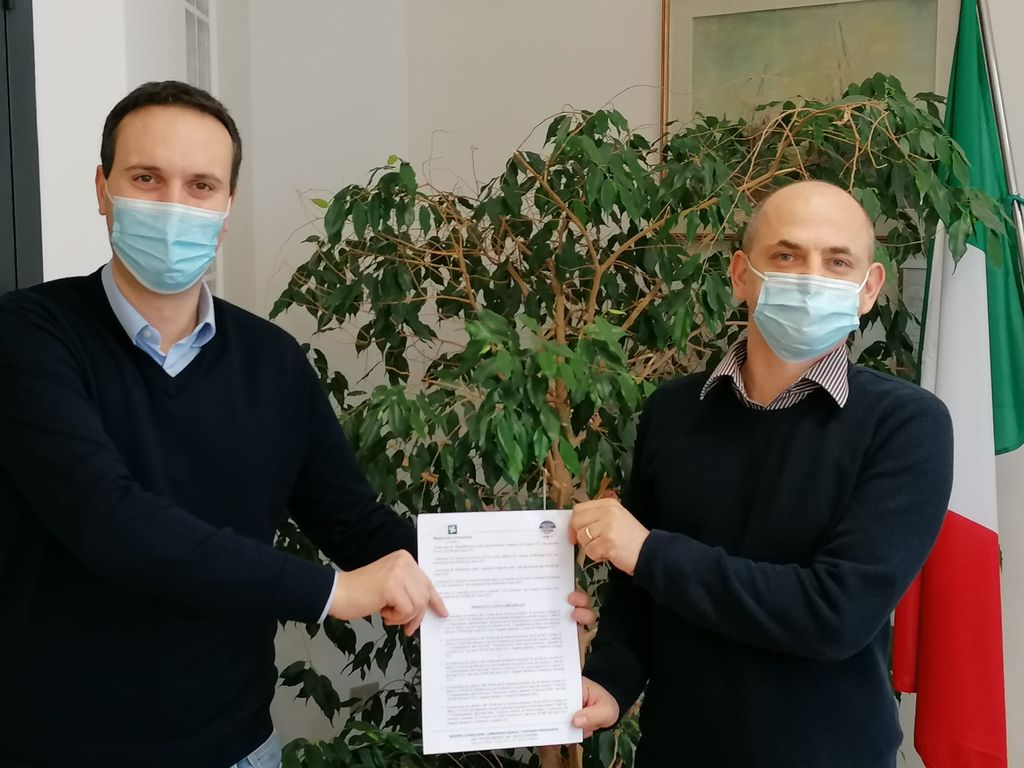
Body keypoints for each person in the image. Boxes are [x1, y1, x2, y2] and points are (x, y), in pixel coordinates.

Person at [0, 81, 594, 768]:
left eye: (200, 186)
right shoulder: (29, 335)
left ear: (226, 208)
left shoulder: (272, 361)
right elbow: (110, 520)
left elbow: (354, 524)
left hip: (238, 748)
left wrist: (520, 603)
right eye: (145, 178)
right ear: (102, 189)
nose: (172, 206)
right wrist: (331, 592)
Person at [568, 180, 954, 767]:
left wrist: (650, 552)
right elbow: (638, 590)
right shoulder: (673, 411)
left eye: (837, 261)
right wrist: (612, 682)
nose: (811, 278)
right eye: (787, 255)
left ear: (869, 289)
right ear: (740, 274)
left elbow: (835, 614)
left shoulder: (907, 425)